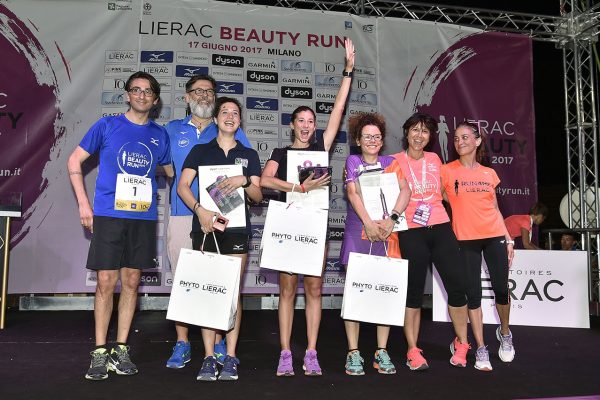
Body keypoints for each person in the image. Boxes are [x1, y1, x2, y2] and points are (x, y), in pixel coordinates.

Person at [67, 71, 173, 380]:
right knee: (105, 282)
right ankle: (100, 351)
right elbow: (74, 162)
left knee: (131, 282)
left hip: (141, 217)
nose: (142, 95)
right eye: (136, 90)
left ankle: (121, 348)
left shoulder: (159, 134)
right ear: (127, 95)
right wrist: (84, 204)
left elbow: (169, 170)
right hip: (109, 215)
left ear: (155, 100)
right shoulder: (107, 125)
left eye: (148, 91)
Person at [260, 38, 355, 377]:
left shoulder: (320, 148)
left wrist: (347, 71)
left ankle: (311, 352)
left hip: (314, 227)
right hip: (288, 227)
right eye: (300, 120)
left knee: (314, 288)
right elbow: (264, 182)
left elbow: (339, 111)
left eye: (310, 120)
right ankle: (286, 352)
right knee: (287, 290)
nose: (306, 124)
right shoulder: (280, 154)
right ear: (292, 125)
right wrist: (296, 187)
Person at [164, 74, 251, 370]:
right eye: (197, 91)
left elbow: (250, 175)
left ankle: (219, 345)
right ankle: (183, 342)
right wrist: (198, 206)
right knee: (185, 282)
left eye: (209, 91)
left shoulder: (227, 127)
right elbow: (166, 169)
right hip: (182, 215)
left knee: (221, 285)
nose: (203, 95)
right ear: (187, 97)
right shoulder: (172, 129)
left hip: (226, 221)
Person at [177, 97, 262, 381]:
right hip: (206, 228)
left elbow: (258, 196)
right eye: (224, 111)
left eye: (235, 113)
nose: (229, 116)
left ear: (240, 121)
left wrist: (245, 181)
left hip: (237, 229)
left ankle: (231, 356)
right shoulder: (201, 151)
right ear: (215, 119)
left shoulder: (249, 156)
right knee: (209, 291)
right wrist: (199, 210)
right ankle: (209, 356)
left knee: (232, 296)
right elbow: (182, 187)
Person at [391, 113, 470, 371]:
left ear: (431, 137)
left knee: (457, 287)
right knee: (413, 292)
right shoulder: (393, 161)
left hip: (440, 227)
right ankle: (412, 349)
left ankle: (462, 342)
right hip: (412, 231)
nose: (419, 135)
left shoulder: (435, 159)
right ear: (406, 133)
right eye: (415, 130)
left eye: (425, 132)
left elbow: (446, 192)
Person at [440, 121, 515, 371]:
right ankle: (481, 348)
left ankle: (504, 332)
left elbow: (494, 208)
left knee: (501, 290)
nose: (460, 142)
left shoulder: (488, 173)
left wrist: (508, 238)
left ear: (477, 140)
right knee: (473, 295)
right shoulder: (446, 171)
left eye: (465, 137)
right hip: (465, 239)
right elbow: (437, 200)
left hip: (494, 236)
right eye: (456, 138)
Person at [339, 113, 410, 375]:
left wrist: (392, 220)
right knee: (355, 291)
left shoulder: (392, 163)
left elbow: (406, 191)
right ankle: (353, 353)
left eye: (376, 137)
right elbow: (352, 192)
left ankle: (381, 351)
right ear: (358, 139)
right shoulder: (352, 160)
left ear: (382, 141)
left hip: (387, 234)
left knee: (384, 292)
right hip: (359, 231)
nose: (371, 140)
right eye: (366, 136)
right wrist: (368, 222)